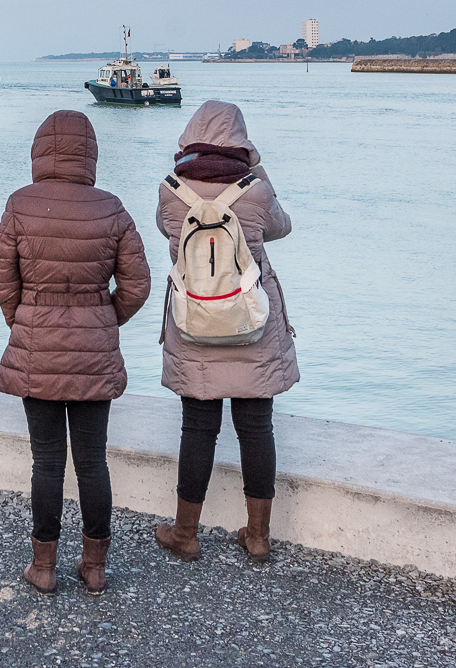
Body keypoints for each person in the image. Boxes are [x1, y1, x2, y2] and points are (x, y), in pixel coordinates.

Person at [0, 109, 151, 596]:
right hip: (92, 353)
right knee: (92, 462)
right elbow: (138, 285)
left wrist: (25, 321)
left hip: (37, 347)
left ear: (40, 151)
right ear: (90, 154)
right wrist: (104, 320)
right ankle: (95, 567)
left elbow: (4, 283)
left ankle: (42, 567)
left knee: (46, 462)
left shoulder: (20, 204)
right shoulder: (111, 208)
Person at [151, 101, 298, 565]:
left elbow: (166, 232)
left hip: (194, 318)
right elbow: (282, 228)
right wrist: (258, 169)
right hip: (250, 319)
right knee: (257, 427)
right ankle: (258, 537)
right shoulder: (255, 191)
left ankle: (186, 533)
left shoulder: (171, 191)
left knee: (198, 426)